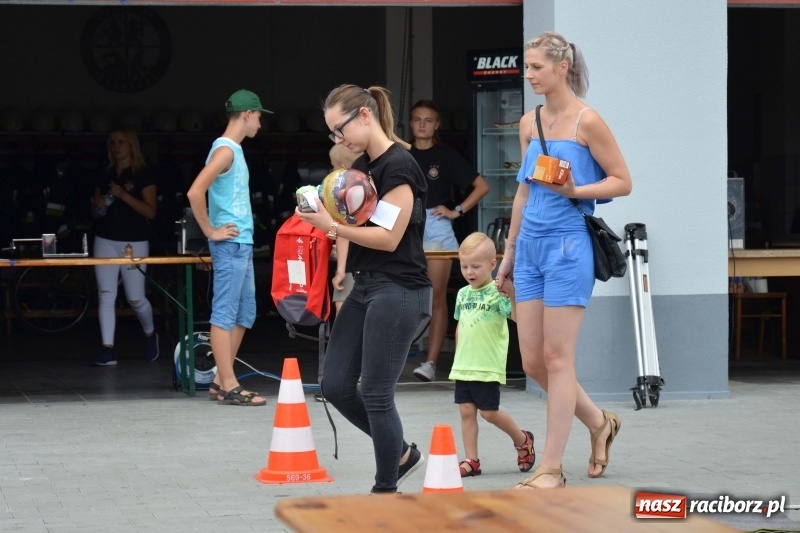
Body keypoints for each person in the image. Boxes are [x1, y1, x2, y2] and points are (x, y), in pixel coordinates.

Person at [496, 32, 632, 489]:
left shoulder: (587, 121)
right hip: (529, 247)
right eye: (527, 67)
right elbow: (522, 191)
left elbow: (622, 181)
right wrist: (508, 254)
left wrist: (576, 191)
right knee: (533, 361)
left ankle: (550, 467)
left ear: (562, 67)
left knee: (557, 359)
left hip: (569, 246)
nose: (528, 74)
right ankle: (599, 422)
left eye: (536, 67)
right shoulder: (528, 122)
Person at [296, 84, 431, 494]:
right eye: (333, 134)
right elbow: (357, 225)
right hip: (366, 286)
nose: (339, 140)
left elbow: (389, 239)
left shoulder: (399, 167)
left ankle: (385, 488)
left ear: (365, 116)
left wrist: (331, 226)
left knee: (374, 391)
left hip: (400, 289)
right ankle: (401, 454)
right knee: (335, 385)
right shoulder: (365, 165)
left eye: (340, 130)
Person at [187, 89, 271, 407]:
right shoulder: (225, 150)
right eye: (259, 116)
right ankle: (229, 384)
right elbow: (195, 191)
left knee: (245, 312)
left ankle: (223, 379)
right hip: (231, 244)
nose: (260, 124)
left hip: (241, 243)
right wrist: (211, 231)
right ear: (247, 114)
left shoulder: (231, 149)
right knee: (224, 313)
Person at [408, 100, 490, 382]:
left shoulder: (445, 155)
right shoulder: (401, 154)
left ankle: (430, 363)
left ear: (437, 124)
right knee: (398, 293)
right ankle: (392, 359)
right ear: (410, 123)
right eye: (417, 119)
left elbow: (482, 186)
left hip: (436, 227)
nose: (422, 124)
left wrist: (457, 211)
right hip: (405, 225)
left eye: (428, 120)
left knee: (436, 297)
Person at [449, 232, 535, 478]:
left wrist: (513, 294)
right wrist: (457, 359)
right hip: (465, 364)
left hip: (487, 364)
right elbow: (460, 327)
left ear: (492, 264)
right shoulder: (463, 294)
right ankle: (471, 460)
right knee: (466, 410)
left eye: (475, 266)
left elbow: (518, 319)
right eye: (464, 266)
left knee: (488, 412)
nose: (469, 272)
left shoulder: (498, 292)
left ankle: (522, 439)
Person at [91, 125, 159, 366]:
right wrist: (99, 204)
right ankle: (107, 348)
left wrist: (123, 195)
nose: (116, 146)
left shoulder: (143, 173)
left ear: (131, 145)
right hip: (104, 239)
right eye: (112, 142)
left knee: (135, 298)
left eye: (121, 142)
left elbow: (150, 212)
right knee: (106, 295)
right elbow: (95, 213)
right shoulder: (105, 172)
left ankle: (150, 335)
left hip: (134, 240)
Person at [328, 143, 362, 316]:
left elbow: (342, 234)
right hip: (373, 269)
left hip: (350, 267)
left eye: (332, 165)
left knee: (344, 322)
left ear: (342, 168)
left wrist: (340, 271)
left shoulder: (342, 194)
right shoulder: (370, 190)